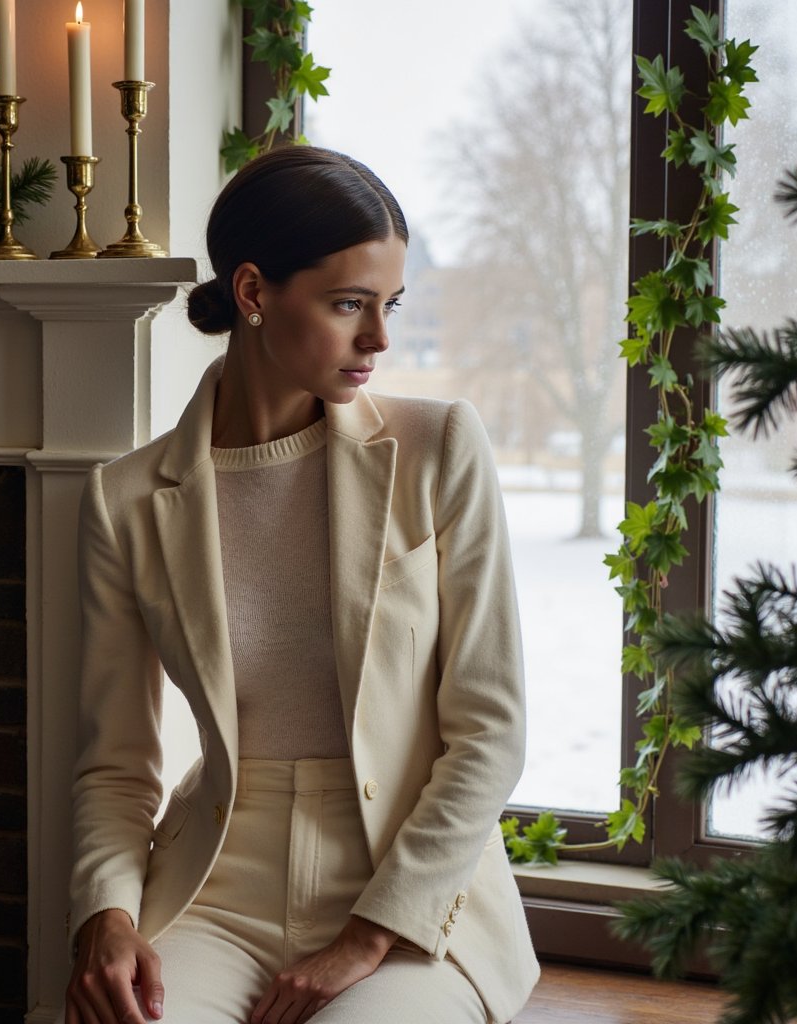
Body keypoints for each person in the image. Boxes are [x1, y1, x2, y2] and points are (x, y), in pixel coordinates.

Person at [65, 146, 539, 1024]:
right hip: (213, 890)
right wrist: (108, 914)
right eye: (348, 304)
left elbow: (490, 733)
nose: (380, 339)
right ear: (253, 294)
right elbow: (116, 761)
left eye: (389, 305)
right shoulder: (126, 498)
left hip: (408, 897)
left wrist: (366, 937)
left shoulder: (439, 451)